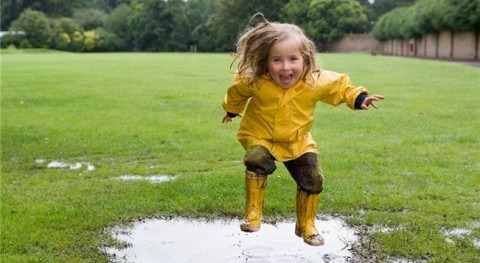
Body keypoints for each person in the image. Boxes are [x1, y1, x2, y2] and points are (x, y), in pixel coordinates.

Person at [221, 15, 384, 246]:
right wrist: (232, 110)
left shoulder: (314, 81)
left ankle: (306, 224)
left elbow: (340, 87)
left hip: (297, 140)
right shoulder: (255, 80)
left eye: (293, 59)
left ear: (305, 60)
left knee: (313, 179)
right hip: (260, 135)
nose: (285, 67)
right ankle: (253, 213)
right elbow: (236, 92)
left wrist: (360, 98)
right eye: (276, 60)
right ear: (266, 62)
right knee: (256, 158)